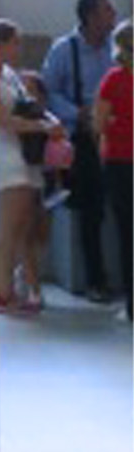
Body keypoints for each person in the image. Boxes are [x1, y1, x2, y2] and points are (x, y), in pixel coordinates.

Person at [42, 0, 118, 301]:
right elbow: (49, 92)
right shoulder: (64, 49)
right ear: (90, 16)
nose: (113, 15)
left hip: (118, 133)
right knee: (92, 206)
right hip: (83, 136)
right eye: (107, 10)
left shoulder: (117, 47)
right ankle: (96, 280)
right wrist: (79, 113)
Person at [0, 19, 60, 314]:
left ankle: (19, 287)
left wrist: (50, 122)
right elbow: (2, 120)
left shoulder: (10, 75)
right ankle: (2, 290)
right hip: (6, 154)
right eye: (15, 42)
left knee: (24, 227)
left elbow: (30, 106)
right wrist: (41, 127)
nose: (19, 48)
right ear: (0, 44)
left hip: (25, 153)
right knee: (8, 228)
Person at [93, 17, 133, 322]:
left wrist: (114, 123)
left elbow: (98, 124)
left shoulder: (113, 80)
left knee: (127, 233)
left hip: (119, 162)